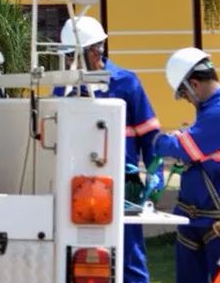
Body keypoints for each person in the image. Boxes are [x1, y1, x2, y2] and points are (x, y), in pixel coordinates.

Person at [56, 16, 161, 283]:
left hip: (123, 186)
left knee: (130, 258)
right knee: (78, 259)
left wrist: (155, 173)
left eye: (73, 55)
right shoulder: (63, 87)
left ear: (94, 51)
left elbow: (150, 136)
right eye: (67, 56)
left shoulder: (126, 83)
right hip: (76, 187)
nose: (69, 62)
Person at [154, 47, 220, 282]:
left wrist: (158, 140)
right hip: (200, 217)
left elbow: (184, 147)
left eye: (184, 94)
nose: (187, 100)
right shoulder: (214, 109)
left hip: (219, 220)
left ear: (194, 84)